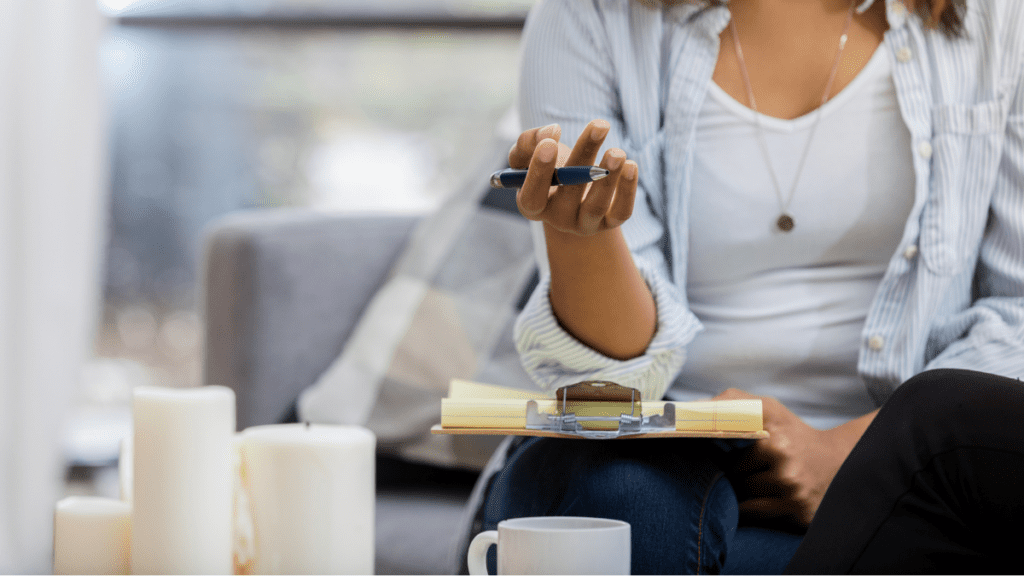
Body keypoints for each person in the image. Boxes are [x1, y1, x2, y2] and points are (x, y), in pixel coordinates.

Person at [480, 0, 1024, 573]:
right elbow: (613, 384)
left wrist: (847, 454)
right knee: (616, 506)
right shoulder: (587, 14)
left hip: (918, 461)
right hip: (664, 446)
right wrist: (584, 240)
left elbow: (1018, 310)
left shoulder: (996, 15)